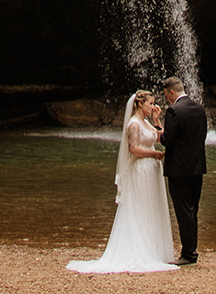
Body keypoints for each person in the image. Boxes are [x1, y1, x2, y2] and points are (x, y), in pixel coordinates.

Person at [66, 89, 178, 274]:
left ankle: (153, 249)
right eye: (150, 104)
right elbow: (133, 149)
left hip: (151, 170)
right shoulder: (133, 124)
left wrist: (157, 120)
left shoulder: (146, 122)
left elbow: (159, 137)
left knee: (152, 207)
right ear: (140, 104)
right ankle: (140, 249)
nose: (153, 106)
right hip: (141, 169)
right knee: (141, 207)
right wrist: (154, 154)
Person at [161, 74, 208, 266]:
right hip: (197, 167)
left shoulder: (173, 111)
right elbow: (201, 136)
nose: (167, 99)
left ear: (171, 92)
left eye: (166, 95)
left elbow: (167, 140)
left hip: (179, 170)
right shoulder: (199, 108)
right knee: (192, 209)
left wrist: (158, 125)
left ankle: (188, 254)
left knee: (183, 211)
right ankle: (191, 249)